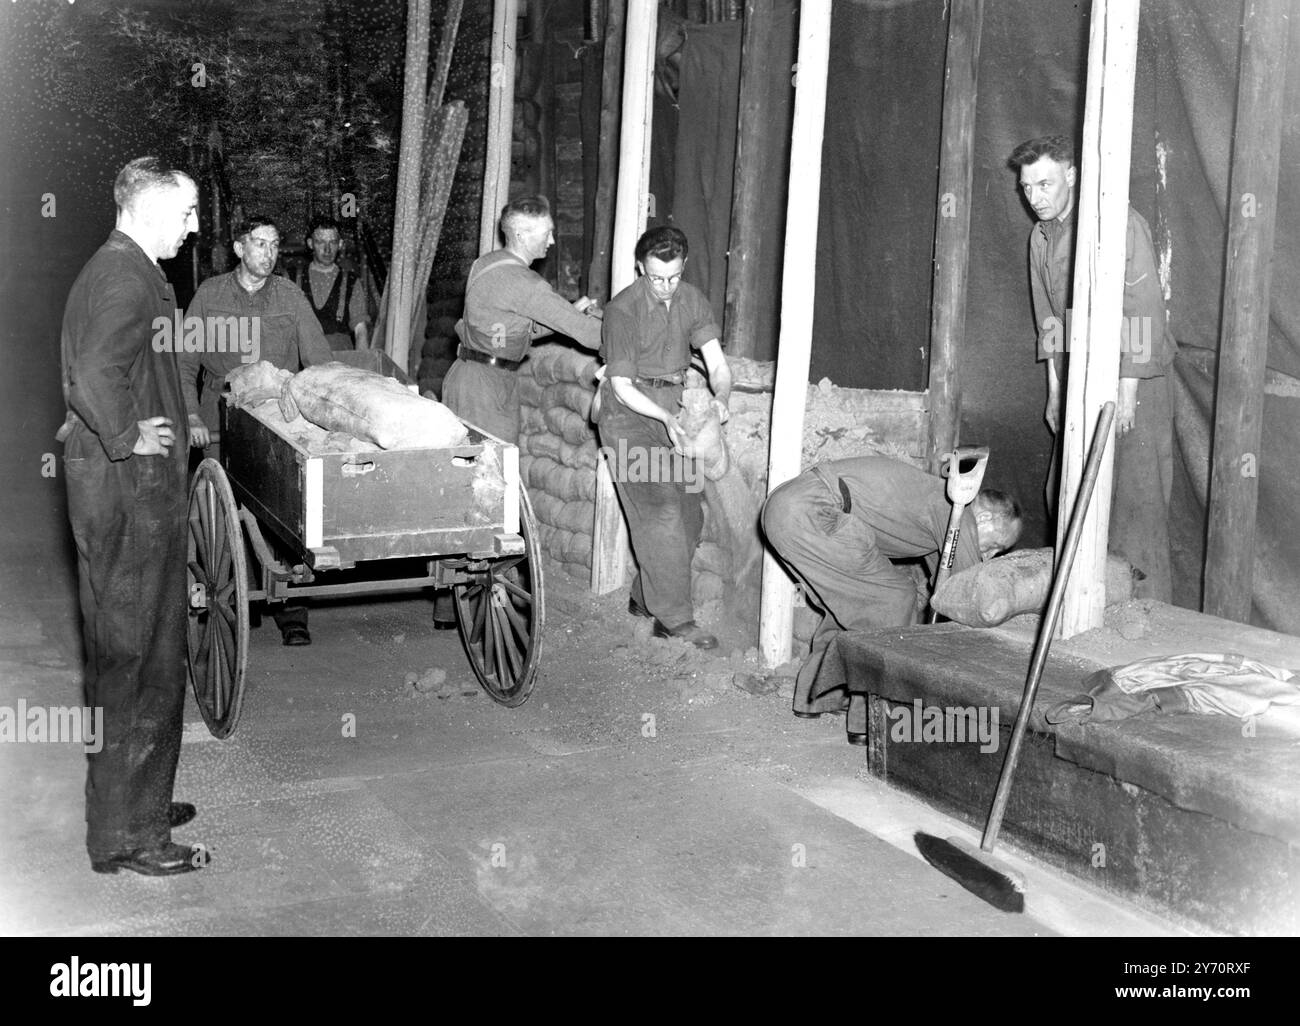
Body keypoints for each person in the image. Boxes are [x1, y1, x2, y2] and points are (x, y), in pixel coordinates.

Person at [58, 156, 208, 876]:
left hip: (128, 491)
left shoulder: (126, 266)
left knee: (134, 653)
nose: (195, 226)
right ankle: (132, 834)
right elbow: (93, 373)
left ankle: (130, 805)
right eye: (186, 214)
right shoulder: (124, 275)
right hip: (127, 494)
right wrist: (128, 435)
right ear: (149, 211)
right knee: (141, 660)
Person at [1009, 135, 1177, 600]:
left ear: (1073, 176)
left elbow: (1142, 307)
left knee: (1135, 506)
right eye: (1027, 187)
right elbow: (1048, 316)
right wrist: (1055, 390)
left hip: (1136, 378)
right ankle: (1082, 601)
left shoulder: (1115, 221)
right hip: (1080, 377)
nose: (1036, 197)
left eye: (1046, 184)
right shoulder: (1040, 236)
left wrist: (1126, 392)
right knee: (1064, 492)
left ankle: (1146, 610)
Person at [762, 456, 1022, 719]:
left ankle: (817, 696)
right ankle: (873, 718)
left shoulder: (942, 509)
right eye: (995, 545)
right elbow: (973, 593)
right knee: (894, 602)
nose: (990, 555)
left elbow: (947, 590)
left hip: (784, 508)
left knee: (848, 607)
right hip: (817, 510)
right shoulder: (961, 513)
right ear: (985, 517)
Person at [181, 214, 335, 645]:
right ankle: (233, 600)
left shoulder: (290, 295)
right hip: (221, 415)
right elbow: (184, 363)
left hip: (276, 414)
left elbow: (319, 360)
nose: (268, 254)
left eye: (273, 245)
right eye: (260, 244)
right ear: (239, 249)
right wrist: (193, 416)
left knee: (285, 506)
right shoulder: (210, 296)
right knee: (222, 513)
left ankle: (292, 611)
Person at [597, 225, 733, 650]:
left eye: (673, 276)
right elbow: (620, 386)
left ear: (683, 266)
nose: (666, 286)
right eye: (656, 277)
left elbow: (717, 365)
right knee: (661, 513)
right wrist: (664, 419)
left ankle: (645, 596)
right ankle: (674, 619)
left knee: (691, 516)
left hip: (672, 415)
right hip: (628, 421)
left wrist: (721, 398)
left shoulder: (691, 300)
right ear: (641, 267)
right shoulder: (623, 310)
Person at [443, 195, 603, 444]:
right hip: (486, 388)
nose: (551, 241)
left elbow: (508, 328)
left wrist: (568, 312)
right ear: (521, 235)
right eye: (546, 233)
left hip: (467, 377)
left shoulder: (485, 263)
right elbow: (587, 333)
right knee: (493, 468)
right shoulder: (525, 283)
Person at [296, 215, 370, 349]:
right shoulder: (292, 279)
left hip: (339, 360)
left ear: (340, 244)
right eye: (320, 242)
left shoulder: (352, 282)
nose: (327, 249)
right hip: (303, 361)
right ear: (310, 243)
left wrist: (361, 365)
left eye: (333, 242)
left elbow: (361, 331)